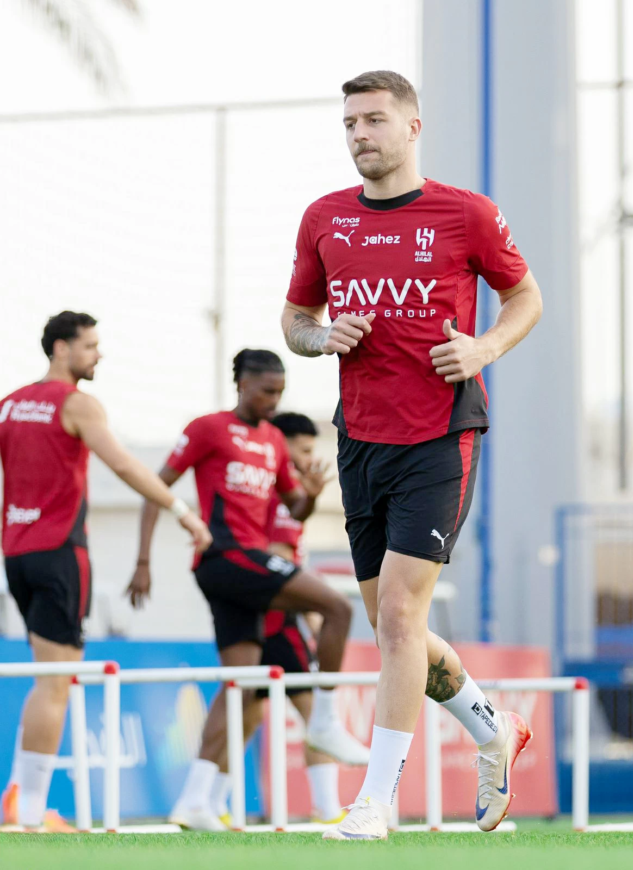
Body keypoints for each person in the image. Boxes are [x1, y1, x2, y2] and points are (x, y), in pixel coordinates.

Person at [281, 71, 543, 840]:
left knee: (398, 614)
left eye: (373, 120)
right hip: (360, 438)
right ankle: (495, 727)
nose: (360, 134)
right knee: (396, 628)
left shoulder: (466, 213)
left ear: (412, 127)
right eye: (350, 124)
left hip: (440, 435)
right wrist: (319, 337)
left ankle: (376, 801)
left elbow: (524, 296)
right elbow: (296, 317)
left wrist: (485, 345)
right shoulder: (324, 218)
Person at [127, 350, 367, 832]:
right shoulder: (208, 428)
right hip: (225, 557)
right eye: (265, 391)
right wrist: (144, 560)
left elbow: (293, 509)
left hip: (248, 565)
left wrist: (313, 493)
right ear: (241, 384)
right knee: (337, 607)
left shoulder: (274, 440)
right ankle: (323, 720)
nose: (273, 401)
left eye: (279, 392)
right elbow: (159, 488)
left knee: (238, 688)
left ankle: (194, 800)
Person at [0, 311, 212, 832]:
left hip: (17, 553)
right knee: (56, 681)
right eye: (90, 346)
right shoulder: (77, 403)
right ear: (60, 349)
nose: (99, 355)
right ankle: (29, 816)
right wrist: (183, 512)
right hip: (59, 552)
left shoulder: (8, 405)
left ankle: (18, 799)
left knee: (42, 675)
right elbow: (124, 465)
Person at [210, 411, 365, 826]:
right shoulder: (270, 494)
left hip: (267, 613)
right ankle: (328, 809)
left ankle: (209, 801)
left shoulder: (282, 493)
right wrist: (307, 603)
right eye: (305, 450)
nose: (311, 458)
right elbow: (274, 558)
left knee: (245, 710)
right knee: (313, 711)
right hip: (278, 617)